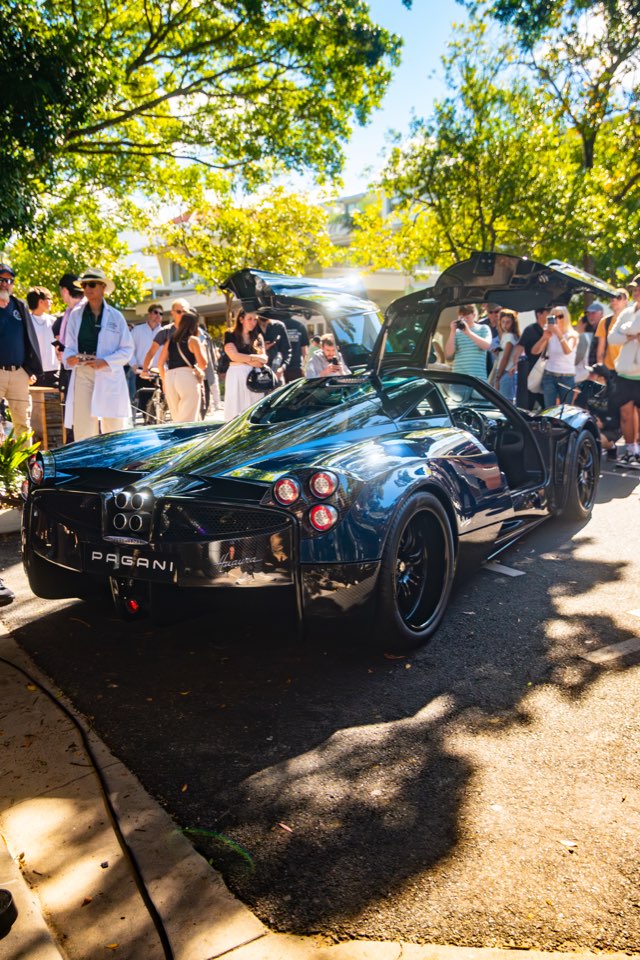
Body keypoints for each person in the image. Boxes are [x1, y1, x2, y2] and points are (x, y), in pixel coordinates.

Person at [63, 267, 134, 441]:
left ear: (103, 287)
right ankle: (87, 466)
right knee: (84, 424)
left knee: (114, 426)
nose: (87, 288)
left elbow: (127, 349)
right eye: (85, 284)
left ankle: (116, 463)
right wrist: (70, 357)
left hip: (107, 372)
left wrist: (106, 362)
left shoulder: (116, 317)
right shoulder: (76, 315)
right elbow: (69, 345)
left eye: (92, 284)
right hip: (83, 371)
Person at [0, 263, 43, 437]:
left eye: (9, 280)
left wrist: (29, 369)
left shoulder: (19, 306)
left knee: (23, 424)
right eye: (1, 279)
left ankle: (24, 464)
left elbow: (29, 339)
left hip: (19, 374)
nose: (4, 283)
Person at [608, 274, 640, 469]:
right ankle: (630, 451)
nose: (636, 291)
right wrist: (631, 335)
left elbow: (635, 327)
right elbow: (613, 338)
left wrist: (627, 331)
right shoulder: (627, 312)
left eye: (638, 288)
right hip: (625, 374)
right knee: (626, 413)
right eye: (635, 288)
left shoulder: (629, 317)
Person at [157, 309, 207, 422]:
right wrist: (201, 344)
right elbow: (203, 364)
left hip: (170, 377)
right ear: (195, 325)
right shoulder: (193, 340)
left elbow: (160, 363)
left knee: (176, 418)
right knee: (189, 419)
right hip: (186, 376)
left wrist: (164, 380)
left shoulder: (170, 340)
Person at [223, 309, 268, 420]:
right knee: (235, 408)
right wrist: (253, 359)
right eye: (249, 319)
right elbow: (233, 356)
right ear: (241, 319)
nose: (253, 322)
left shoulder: (258, 337)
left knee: (253, 408)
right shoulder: (230, 334)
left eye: (255, 320)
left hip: (254, 376)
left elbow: (264, 359)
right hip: (236, 375)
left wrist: (241, 358)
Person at [53, 273, 83, 440]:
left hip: (79, 370)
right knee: (70, 418)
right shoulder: (68, 312)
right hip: (68, 369)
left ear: (64, 291)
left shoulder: (80, 312)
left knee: (78, 418)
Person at [531, 305, 578, 408]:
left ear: (566, 318)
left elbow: (568, 351)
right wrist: (544, 338)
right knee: (549, 409)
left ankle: (562, 425)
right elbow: (535, 351)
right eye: (553, 317)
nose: (557, 319)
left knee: (565, 410)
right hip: (549, 375)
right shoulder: (549, 334)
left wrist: (559, 334)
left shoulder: (571, 335)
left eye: (560, 316)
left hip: (566, 377)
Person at [513, 306, 551, 409]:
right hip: (531, 370)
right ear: (539, 314)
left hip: (546, 370)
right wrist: (514, 363)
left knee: (546, 403)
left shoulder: (551, 330)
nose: (550, 314)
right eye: (547, 312)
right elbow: (520, 347)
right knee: (527, 402)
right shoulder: (530, 329)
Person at [140, 298, 189, 380]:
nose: (182, 314)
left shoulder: (193, 330)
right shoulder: (165, 331)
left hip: (190, 373)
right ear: (172, 312)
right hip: (172, 374)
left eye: (185, 312)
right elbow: (151, 352)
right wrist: (145, 370)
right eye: (179, 312)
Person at [445, 304, 492, 379]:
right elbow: (448, 354)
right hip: (459, 377)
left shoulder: (483, 328)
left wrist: (468, 332)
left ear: (473, 315)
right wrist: (452, 332)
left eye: (467, 317)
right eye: (461, 317)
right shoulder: (456, 333)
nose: (464, 320)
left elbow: (487, 346)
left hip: (478, 378)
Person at [131, 303, 164, 402]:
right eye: (155, 312)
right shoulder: (137, 330)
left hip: (159, 372)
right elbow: (129, 348)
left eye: (161, 314)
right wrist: (133, 363)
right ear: (149, 314)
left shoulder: (164, 332)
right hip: (142, 372)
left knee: (160, 403)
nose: (158, 315)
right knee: (145, 403)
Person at [27, 287, 59, 388]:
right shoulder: (27, 322)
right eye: (49, 299)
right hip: (33, 374)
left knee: (54, 403)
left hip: (54, 372)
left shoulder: (54, 321)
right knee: (35, 403)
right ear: (40, 301)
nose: (51, 302)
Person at [256, 309, 291, 382]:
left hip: (276, 370)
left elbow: (287, 350)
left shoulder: (279, 326)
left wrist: (282, 368)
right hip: (258, 372)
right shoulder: (253, 326)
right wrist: (262, 348)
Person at [493, 309, 520, 402]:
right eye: (503, 322)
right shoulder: (505, 335)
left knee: (505, 403)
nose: (505, 325)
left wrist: (498, 377)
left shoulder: (510, 336)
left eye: (508, 322)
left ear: (513, 323)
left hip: (506, 372)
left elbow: (505, 358)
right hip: (504, 371)